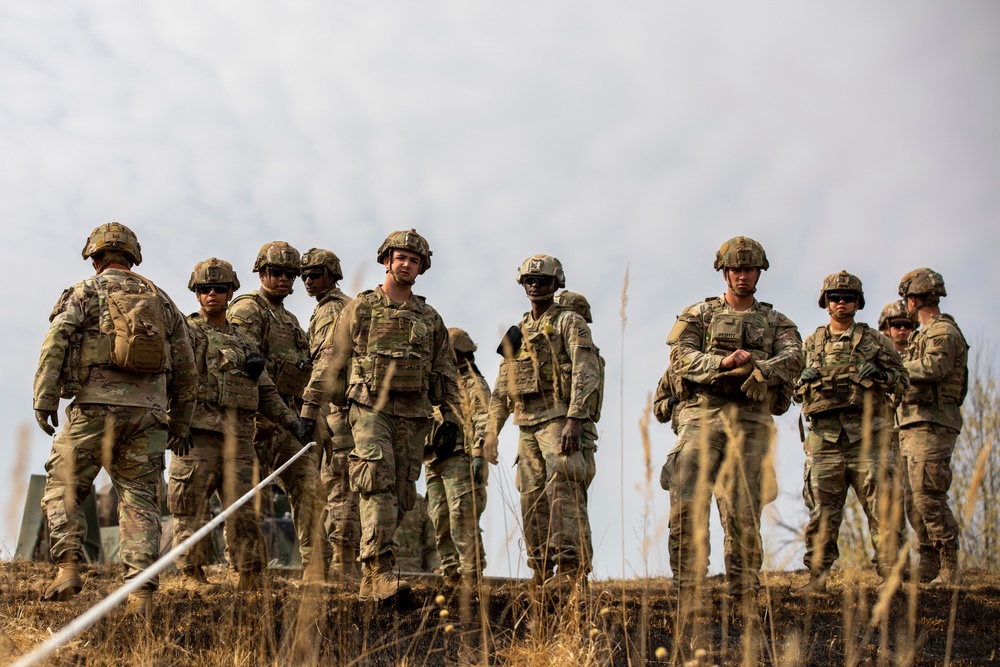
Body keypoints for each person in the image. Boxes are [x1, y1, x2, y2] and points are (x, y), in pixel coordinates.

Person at [34, 222, 196, 615]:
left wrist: (45, 396)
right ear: (133, 257)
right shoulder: (163, 300)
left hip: (94, 407)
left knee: (64, 485)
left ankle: (69, 565)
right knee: (140, 502)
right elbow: (188, 366)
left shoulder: (85, 291)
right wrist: (179, 422)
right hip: (149, 416)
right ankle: (140, 595)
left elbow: (57, 340)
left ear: (95, 257)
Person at [300, 229, 461, 601]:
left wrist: (450, 419)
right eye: (400, 257)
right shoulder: (361, 307)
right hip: (369, 408)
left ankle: (373, 577)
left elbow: (445, 373)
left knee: (402, 494)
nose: (406, 264)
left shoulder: (430, 318)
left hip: (414, 414)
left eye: (414, 260)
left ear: (421, 268)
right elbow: (331, 360)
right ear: (386, 261)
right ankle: (379, 569)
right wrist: (311, 408)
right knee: (376, 481)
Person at [662, 236, 803, 602]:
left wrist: (759, 367)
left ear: (759, 272)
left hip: (751, 421)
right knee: (687, 499)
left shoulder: (776, 321)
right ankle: (688, 587)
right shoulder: (699, 315)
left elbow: (795, 358)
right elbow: (680, 357)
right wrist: (721, 363)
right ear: (725, 272)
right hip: (701, 415)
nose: (743, 276)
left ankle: (744, 588)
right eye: (736, 269)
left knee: (743, 506)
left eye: (749, 269)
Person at [168, 258, 307, 592]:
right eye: (204, 289)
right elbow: (170, 380)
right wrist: (176, 422)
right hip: (197, 435)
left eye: (219, 288)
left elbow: (266, 391)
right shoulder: (186, 333)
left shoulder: (245, 343)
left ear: (232, 292)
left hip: (239, 438)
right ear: (196, 293)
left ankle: (249, 573)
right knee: (191, 505)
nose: (212, 294)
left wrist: (293, 422)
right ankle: (191, 574)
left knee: (245, 508)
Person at [484, 255, 602, 591]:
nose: (535, 285)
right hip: (527, 424)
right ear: (522, 284)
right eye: (529, 280)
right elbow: (503, 385)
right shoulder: (518, 331)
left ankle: (571, 569)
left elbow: (585, 369)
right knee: (531, 497)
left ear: (556, 284)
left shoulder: (569, 322)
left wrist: (575, 418)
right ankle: (540, 571)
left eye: (543, 280)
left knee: (563, 489)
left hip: (558, 419)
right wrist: (491, 431)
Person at [794, 271, 907, 593]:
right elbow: (791, 390)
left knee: (883, 509)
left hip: (869, 439)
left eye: (848, 298)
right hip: (825, 441)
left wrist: (882, 374)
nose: (841, 303)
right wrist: (803, 379)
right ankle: (816, 579)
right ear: (825, 303)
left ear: (858, 303)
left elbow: (903, 381)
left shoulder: (876, 341)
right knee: (821, 514)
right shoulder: (810, 343)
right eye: (835, 298)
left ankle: (891, 579)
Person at [227, 241, 325, 579]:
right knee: (250, 498)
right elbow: (242, 356)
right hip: (257, 418)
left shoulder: (291, 319)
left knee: (310, 487)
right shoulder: (248, 309)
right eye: (276, 272)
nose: (283, 279)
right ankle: (245, 571)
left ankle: (316, 569)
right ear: (262, 272)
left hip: (288, 419)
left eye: (290, 274)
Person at [897, 268, 969, 585]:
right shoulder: (920, 334)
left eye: (908, 298)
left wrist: (896, 366)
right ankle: (928, 564)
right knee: (913, 498)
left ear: (915, 298)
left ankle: (950, 566)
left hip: (934, 422)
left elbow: (935, 367)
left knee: (929, 494)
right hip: (913, 423)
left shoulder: (943, 332)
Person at [300, 247, 360, 580]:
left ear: (331, 275)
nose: (308, 281)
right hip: (343, 407)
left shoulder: (332, 308)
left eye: (315, 274)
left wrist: (309, 408)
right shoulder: (336, 306)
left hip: (341, 409)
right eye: (304, 275)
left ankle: (343, 563)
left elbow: (327, 360)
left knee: (339, 484)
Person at [423, 328, 490, 585]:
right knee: (439, 519)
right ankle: (451, 576)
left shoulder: (473, 383)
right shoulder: (439, 383)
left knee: (462, 518)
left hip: (461, 458)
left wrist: (479, 454)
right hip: (434, 460)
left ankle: (471, 577)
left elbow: (484, 418)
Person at [395, 494, 441, 574]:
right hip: (377, 576)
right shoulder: (372, 501)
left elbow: (432, 549)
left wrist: (436, 568)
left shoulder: (420, 504)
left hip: (413, 574)